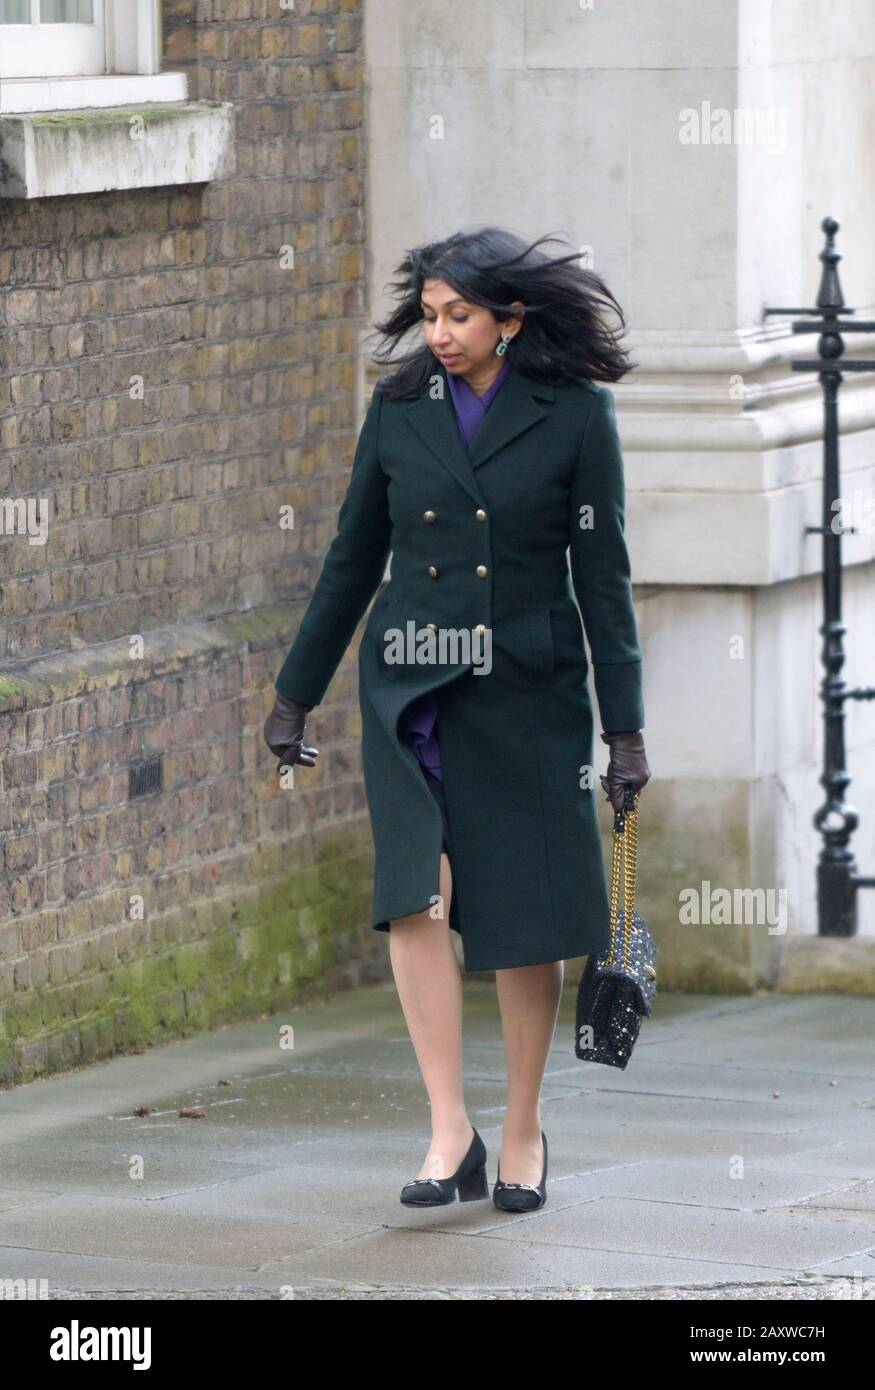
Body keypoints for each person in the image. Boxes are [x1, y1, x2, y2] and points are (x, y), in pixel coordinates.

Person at [264, 227, 651, 1211]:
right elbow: (353, 556)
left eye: (457, 316)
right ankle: (449, 1128)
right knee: (414, 896)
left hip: (527, 687)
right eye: (428, 314)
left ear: (508, 320)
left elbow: (601, 582)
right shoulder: (396, 408)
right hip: (410, 684)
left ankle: (520, 1129)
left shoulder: (573, 414)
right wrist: (293, 692)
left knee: (520, 918)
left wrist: (624, 729)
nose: (437, 333)